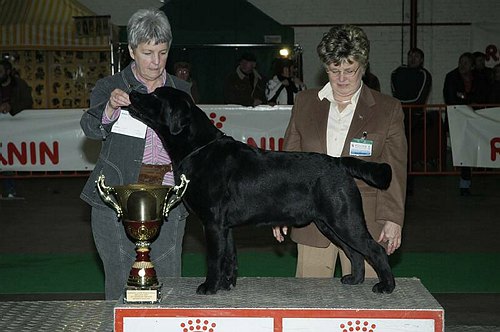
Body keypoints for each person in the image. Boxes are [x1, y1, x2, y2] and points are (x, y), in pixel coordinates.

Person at [272, 25, 407, 279]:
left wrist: (393, 219)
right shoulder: (304, 103)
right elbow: (288, 164)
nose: (342, 78)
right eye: (335, 71)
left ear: (363, 67)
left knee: (366, 307)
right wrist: (282, 208)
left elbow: (394, 170)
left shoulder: (388, 109)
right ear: (326, 69)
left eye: (349, 70)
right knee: (311, 308)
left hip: (365, 223)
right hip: (311, 221)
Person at [79, 8, 192, 300]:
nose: (156, 62)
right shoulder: (109, 86)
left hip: (168, 199)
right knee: (120, 284)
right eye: (147, 53)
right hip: (115, 203)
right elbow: (90, 128)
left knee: (169, 285)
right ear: (131, 50)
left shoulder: (182, 90)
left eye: (163, 52)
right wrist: (109, 109)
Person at [390, 47, 433, 194]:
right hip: (399, 116)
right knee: (396, 149)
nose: (412, 59)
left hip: (414, 118)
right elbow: (395, 93)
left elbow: (418, 98)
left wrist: (401, 104)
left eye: (416, 56)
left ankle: (409, 184)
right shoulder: (397, 72)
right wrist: (400, 104)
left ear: (421, 60)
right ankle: (396, 181)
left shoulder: (424, 74)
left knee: (410, 152)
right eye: (410, 56)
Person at [443, 52, 477, 196]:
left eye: (466, 63)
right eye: (460, 61)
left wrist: (463, 96)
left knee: (470, 150)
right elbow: (451, 97)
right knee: (464, 151)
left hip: (475, 119)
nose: (462, 65)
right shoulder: (451, 77)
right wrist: (468, 100)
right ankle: (465, 184)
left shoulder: (479, 78)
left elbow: (482, 95)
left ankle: (466, 181)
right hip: (457, 119)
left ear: (472, 66)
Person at [0, 59, 33, 199]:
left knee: (8, 159)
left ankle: (10, 189)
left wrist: (11, 107)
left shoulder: (20, 85)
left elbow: (28, 102)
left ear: (8, 72)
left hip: (14, 131)